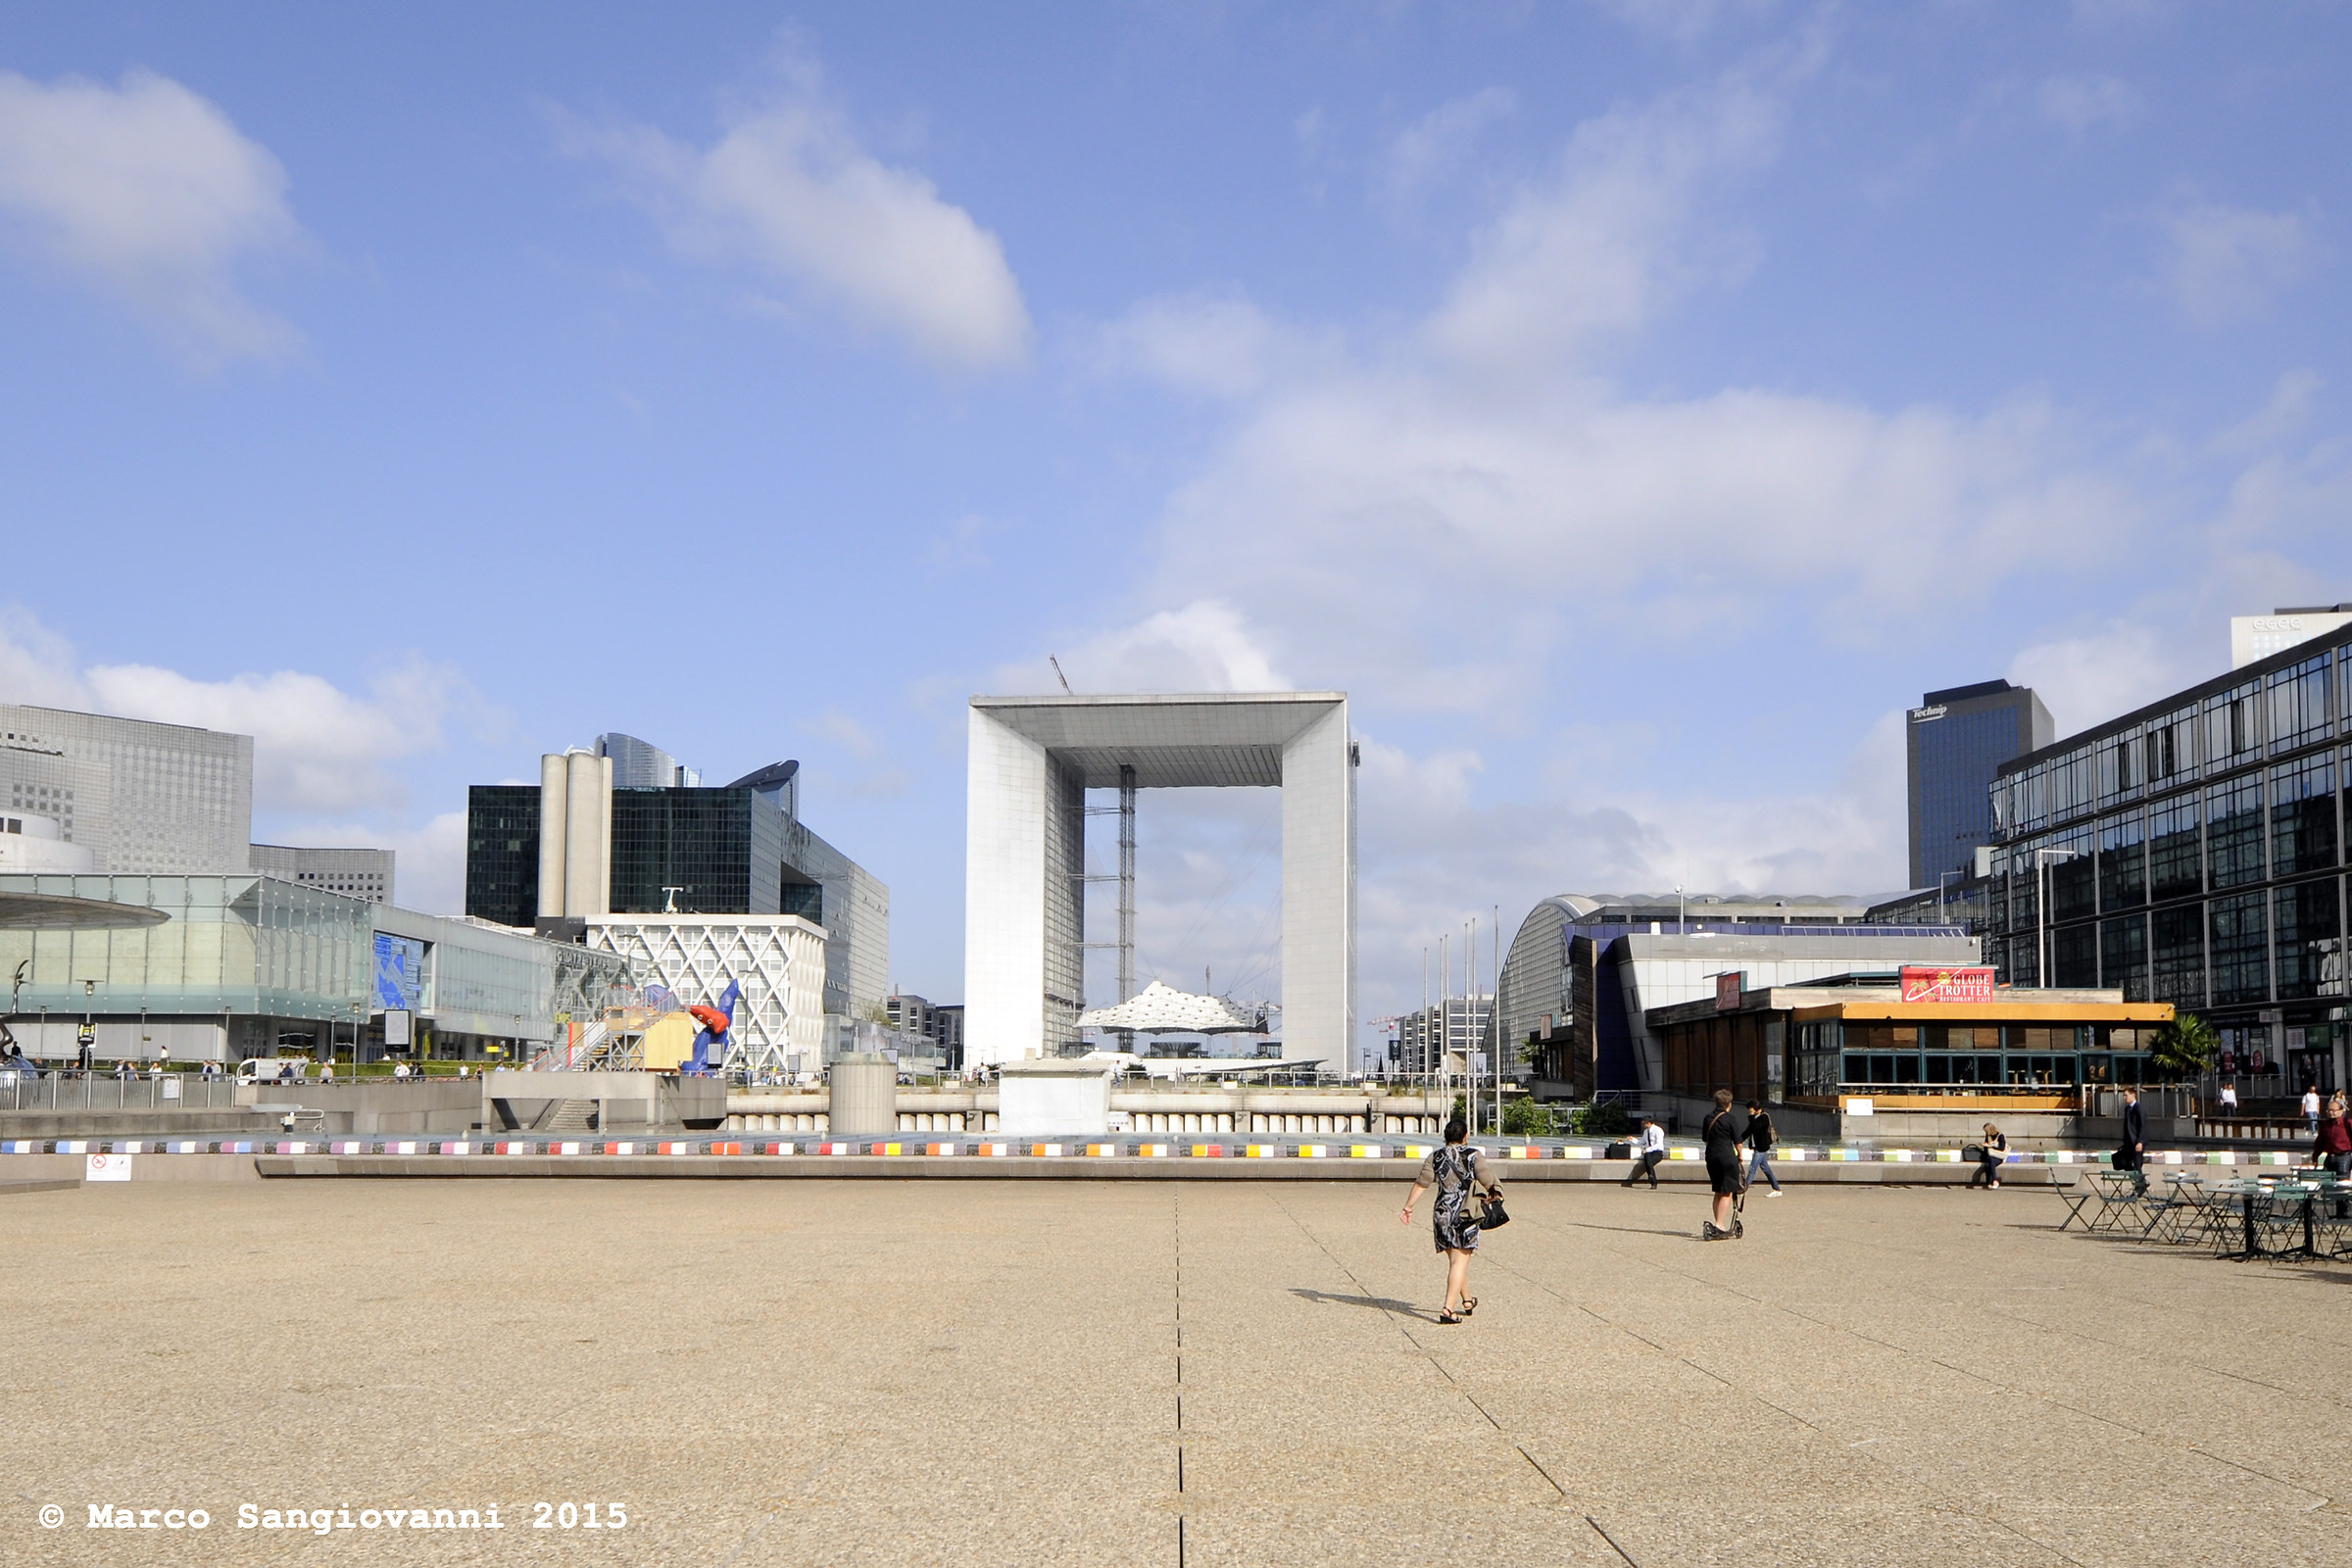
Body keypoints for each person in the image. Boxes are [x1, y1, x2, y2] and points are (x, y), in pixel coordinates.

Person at [1399, 1114, 1500, 1324]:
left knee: (1456, 1260)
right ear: (1465, 1136)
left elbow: (1421, 1184)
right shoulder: (1474, 1155)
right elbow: (1488, 1179)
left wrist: (1408, 1207)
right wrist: (1496, 1194)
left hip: (1442, 1213)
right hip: (1466, 1214)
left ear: (1445, 1137)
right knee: (1459, 1260)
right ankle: (1447, 1310)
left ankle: (1467, 1301)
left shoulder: (1435, 1157)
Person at [1701, 1090, 1744, 1240]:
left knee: (1717, 1190)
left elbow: (1705, 1140)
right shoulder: (1730, 1119)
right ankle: (1719, 1224)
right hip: (1727, 1157)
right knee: (1727, 1192)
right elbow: (1738, 1142)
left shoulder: (1708, 1118)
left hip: (1711, 1157)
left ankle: (1718, 1223)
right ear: (1729, 1104)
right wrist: (1741, 1156)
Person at [1743, 1100, 1782, 1197]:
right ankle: (1776, 1189)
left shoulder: (1764, 1117)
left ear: (1756, 1108)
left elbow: (1755, 1127)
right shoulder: (1754, 1118)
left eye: (1750, 1108)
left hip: (1761, 1147)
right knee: (1766, 1168)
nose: (1749, 1110)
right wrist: (1738, 1140)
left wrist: (1751, 1117)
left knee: (1752, 1167)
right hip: (1757, 1147)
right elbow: (1748, 1131)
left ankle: (1743, 1189)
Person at [1620, 1115, 1666, 1189]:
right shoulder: (1646, 1132)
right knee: (1648, 1160)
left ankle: (1652, 1179)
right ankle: (1652, 1180)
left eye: (1644, 1123)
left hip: (1657, 1151)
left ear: (1649, 1123)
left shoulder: (1658, 1130)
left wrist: (1647, 1149)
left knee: (1649, 1162)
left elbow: (1658, 1144)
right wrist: (1633, 1140)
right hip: (1648, 1151)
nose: (1643, 1125)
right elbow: (1642, 1142)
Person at [2316, 1096, 2352, 1181]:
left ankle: (2341, 1194)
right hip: (2329, 1157)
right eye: (2329, 1110)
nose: (2331, 1113)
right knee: (2326, 1180)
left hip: (2343, 1157)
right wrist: (2315, 1158)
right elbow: (2319, 1143)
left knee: (2342, 1181)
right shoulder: (2325, 1125)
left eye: (2334, 1110)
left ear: (2341, 1111)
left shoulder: (2347, 1123)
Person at [2120, 1087, 2148, 1196]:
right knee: (2123, 1162)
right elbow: (2127, 1126)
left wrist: (2140, 1141)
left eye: (2126, 1095)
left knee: (2137, 1164)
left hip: (2137, 1141)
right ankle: (2140, 1182)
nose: (2124, 1097)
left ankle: (2139, 1187)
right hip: (2129, 1142)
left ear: (2133, 1095)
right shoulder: (2127, 1109)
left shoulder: (2139, 1108)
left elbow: (2142, 1126)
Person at [1968, 1123, 2008, 1189]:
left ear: (1991, 1130)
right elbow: (1986, 1149)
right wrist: (1985, 1146)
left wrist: (1990, 1146)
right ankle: (1990, 1182)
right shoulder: (1988, 1136)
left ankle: (1993, 1181)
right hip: (1990, 1156)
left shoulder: (2000, 1136)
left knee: (1989, 1162)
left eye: (1987, 1131)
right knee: (1988, 1163)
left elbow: (2001, 1148)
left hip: (1998, 1156)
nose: (1986, 1133)